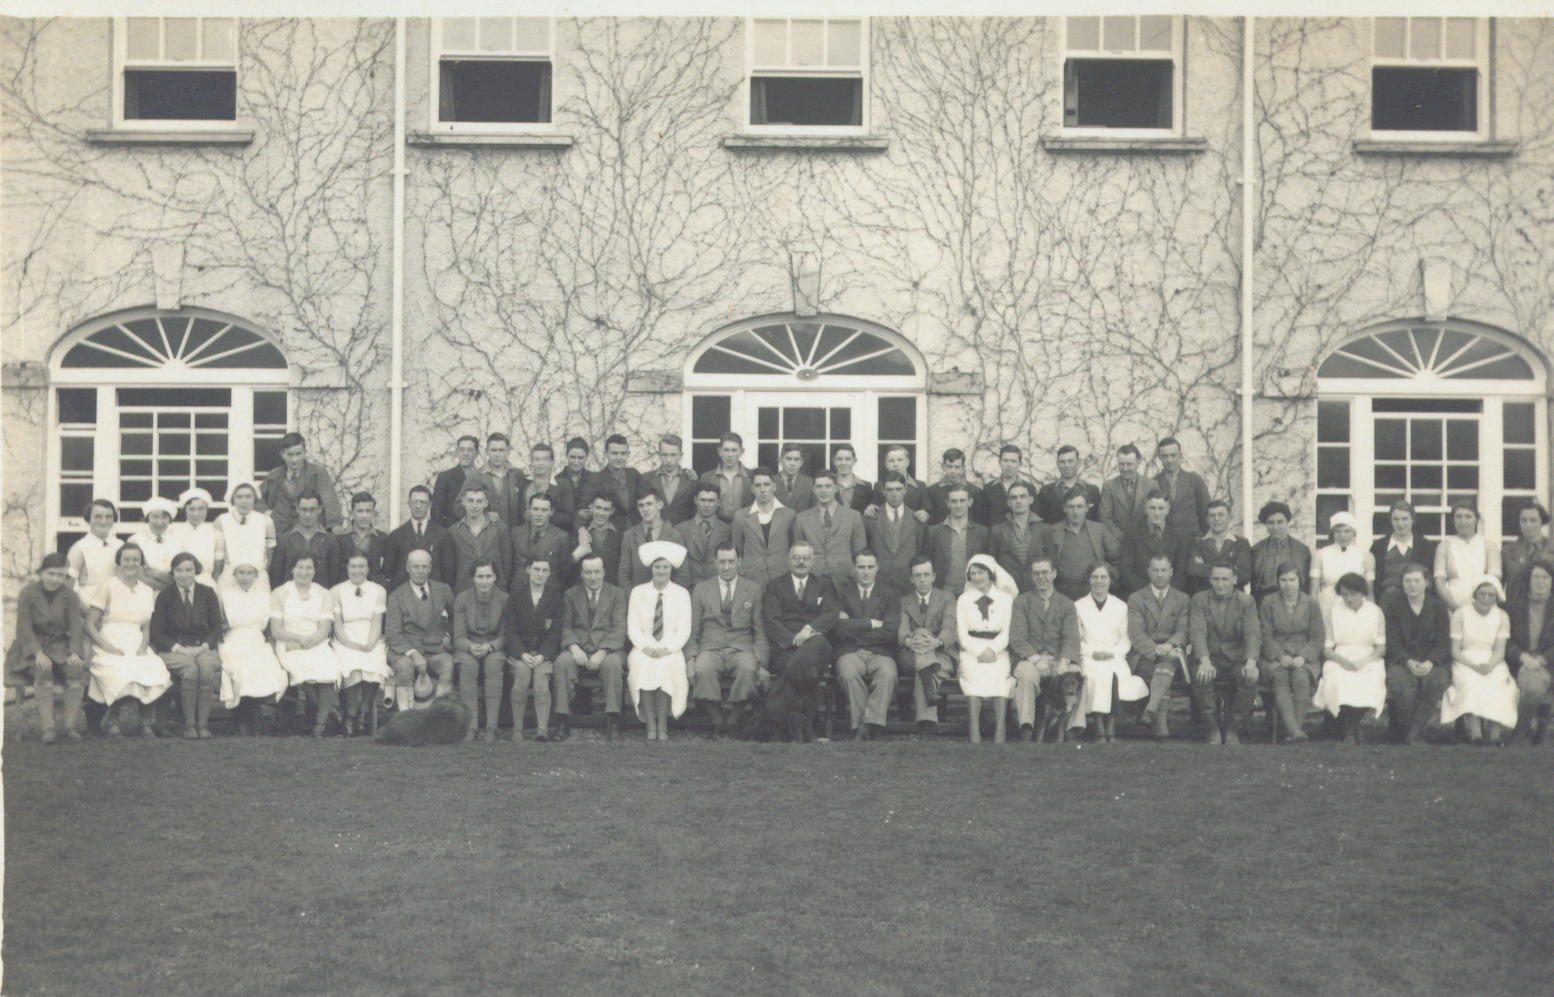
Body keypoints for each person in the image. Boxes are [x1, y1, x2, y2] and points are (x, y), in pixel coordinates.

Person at [84, 544, 171, 737]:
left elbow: (146, 627)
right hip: (110, 640)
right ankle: (112, 721)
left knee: (154, 668)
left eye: (135, 560)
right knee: (121, 670)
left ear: (141, 563)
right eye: (127, 559)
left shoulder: (147, 590)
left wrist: (143, 648)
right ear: (119, 562)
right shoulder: (108, 586)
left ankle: (145, 722)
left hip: (137, 641)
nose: (131, 564)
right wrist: (108, 647)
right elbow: (89, 624)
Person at [4, 553, 87, 743]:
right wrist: (38, 653)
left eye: (60, 575)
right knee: (42, 669)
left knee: (76, 669)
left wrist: (75, 652)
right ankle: (48, 728)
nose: (55, 579)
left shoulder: (70, 595)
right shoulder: (28, 593)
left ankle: (70, 726)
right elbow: (23, 628)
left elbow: (75, 626)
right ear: (41, 573)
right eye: (51, 573)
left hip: (59, 645)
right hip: (31, 646)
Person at [687, 543, 768, 736]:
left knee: (748, 669)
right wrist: (690, 659)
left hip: (741, 646)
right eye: (722, 562)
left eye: (731, 561)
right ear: (715, 563)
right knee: (702, 669)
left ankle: (732, 722)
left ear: (739, 562)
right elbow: (694, 630)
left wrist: (762, 663)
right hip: (710, 646)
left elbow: (759, 630)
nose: (726, 566)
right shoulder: (701, 589)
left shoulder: (753, 589)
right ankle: (717, 721)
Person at [762, 543, 840, 729]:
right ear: (789, 560)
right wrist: (793, 640)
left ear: (812, 561)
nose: (801, 562)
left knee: (817, 643)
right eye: (796, 557)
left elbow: (830, 614)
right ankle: (808, 722)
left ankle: (777, 713)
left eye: (806, 558)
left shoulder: (824, 585)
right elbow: (771, 620)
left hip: (815, 644)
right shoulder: (775, 586)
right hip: (786, 648)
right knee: (808, 669)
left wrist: (809, 630)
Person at [150, 552, 225, 739]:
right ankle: (189, 725)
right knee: (190, 670)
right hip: (175, 649)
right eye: (179, 570)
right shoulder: (165, 596)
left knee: (206, 669)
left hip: (203, 647)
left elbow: (217, 627)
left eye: (188, 570)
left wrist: (204, 646)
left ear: (196, 571)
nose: (184, 575)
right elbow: (157, 632)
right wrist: (179, 648)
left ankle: (203, 724)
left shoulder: (207, 593)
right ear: (173, 572)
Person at [555, 553, 629, 740]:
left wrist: (602, 652)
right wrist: (574, 648)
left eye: (597, 572)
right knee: (562, 662)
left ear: (603, 572)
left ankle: (613, 719)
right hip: (578, 648)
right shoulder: (571, 594)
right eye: (588, 572)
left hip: (608, 649)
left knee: (613, 664)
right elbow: (565, 626)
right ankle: (562, 720)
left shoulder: (617, 594)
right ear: (581, 573)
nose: (593, 577)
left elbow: (619, 628)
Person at [1187, 563, 1261, 745]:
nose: (1220, 584)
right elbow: (1197, 631)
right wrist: (1204, 661)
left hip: (1236, 658)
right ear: (1210, 580)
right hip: (1209, 656)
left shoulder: (1246, 601)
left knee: (1250, 678)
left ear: (1234, 580)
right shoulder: (1199, 599)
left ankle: (1233, 728)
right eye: (1216, 579)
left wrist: (1251, 663)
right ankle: (1212, 729)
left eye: (1225, 579)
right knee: (1202, 677)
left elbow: (1252, 633)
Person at [1311, 573, 1387, 744]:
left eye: (1353, 594)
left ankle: (1350, 729)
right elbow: (1327, 649)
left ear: (1363, 592)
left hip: (1369, 657)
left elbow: (1381, 648)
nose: (1349, 598)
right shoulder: (1333, 611)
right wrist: (1343, 662)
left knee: (1371, 679)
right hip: (1339, 656)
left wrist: (1363, 662)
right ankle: (1351, 730)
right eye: (1344, 594)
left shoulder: (1375, 611)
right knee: (1337, 678)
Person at [1381, 562, 1452, 745]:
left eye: (1417, 581)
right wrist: (1408, 662)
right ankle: (1414, 735)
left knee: (1435, 682)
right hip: (1402, 661)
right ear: (1402, 583)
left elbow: (1443, 642)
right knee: (1402, 685)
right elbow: (1392, 641)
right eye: (1408, 581)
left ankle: (1411, 735)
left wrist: (1430, 661)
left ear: (1426, 582)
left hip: (1433, 662)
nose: (1412, 585)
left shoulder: (1438, 606)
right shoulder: (1394, 606)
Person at [627, 542, 692, 741]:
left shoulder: (682, 593)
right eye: (657, 567)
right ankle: (650, 725)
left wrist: (668, 648)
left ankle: (663, 723)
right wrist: (645, 647)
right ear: (651, 568)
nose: (661, 571)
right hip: (643, 644)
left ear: (671, 569)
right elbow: (632, 627)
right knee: (641, 664)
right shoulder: (638, 592)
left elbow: (684, 629)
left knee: (668, 665)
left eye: (665, 567)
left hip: (671, 645)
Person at [1075, 562, 1147, 742]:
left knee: (1113, 676)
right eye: (1094, 577)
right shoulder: (1078, 605)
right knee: (1096, 677)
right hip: (1089, 656)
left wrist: (1113, 653)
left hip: (1114, 656)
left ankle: (1110, 726)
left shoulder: (1121, 606)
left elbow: (1126, 638)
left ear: (1111, 580)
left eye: (1103, 577)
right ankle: (1100, 728)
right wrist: (1092, 653)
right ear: (1089, 580)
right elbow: (1076, 638)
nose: (1099, 581)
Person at [1441, 576, 1517, 745]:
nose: (1486, 598)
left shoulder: (1502, 616)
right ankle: (1476, 735)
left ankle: (1495, 735)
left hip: (1492, 660)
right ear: (1475, 594)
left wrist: (1490, 665)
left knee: (1498, 684)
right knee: (1472, 683)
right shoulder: (1461, 614)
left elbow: (1500, 650)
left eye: (1491, 595)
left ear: (1497, 597)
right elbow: (1455, 650)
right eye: (1482, 594)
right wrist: (1474, 666)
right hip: (1465, 660)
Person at [832, 550, 899, 740]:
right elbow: (837, 628)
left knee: (888, 674)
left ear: (877, 568)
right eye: (861, 567)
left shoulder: (889, 594)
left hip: (881, 652)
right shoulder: (842, 593)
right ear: (854, 569)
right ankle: (868, 726)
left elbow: (890, 631)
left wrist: (853, 630)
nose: (866, 572)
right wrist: (870, 623)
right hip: (850, 652)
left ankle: (867, 725)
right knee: (848, 674)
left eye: (870, 567)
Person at [270, 553, 339, 737]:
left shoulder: (324, 594)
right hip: (288, 643)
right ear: (292, 569)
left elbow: (324, 628)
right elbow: (276, 630)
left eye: (309, 568)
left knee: (328, 667)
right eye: (300, 567)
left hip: (316, 642)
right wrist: (300, 640)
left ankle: (320, 724)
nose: (304, 572)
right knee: (302, 669)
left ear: (315, 571)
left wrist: (308, 643)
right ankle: (328, 712)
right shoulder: (280, 593)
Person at [217, 562, 289, 735]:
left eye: (249, 573)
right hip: (233, 639)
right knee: (239, 668)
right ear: (234, 574)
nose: (245, 577)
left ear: (256, 575)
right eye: (241, 572)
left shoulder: (264, 596)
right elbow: (219, 623)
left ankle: (252, 716)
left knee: (263, 666)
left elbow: (268, 627)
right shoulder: (225, 595)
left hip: (257, 639)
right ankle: (243, 718)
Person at [1258, 561, 1324, 742]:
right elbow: (1264, 635)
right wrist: (1279, 655)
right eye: (1283, 580)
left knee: (1301, 678)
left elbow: (1317, 636)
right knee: (1279, 678)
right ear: (1278, 581)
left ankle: (1294, 730)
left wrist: (1304, 656)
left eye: (1292, 580)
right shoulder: (1268, 602)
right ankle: (1295, 731)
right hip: (1276, 654)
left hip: (1303, 654)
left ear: (1300, 580)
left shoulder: (1311, 603)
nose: (1288, 585)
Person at [1127, 553, 1190, 740]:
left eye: (1164, 570)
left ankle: (1151, 711)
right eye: (1155, 570)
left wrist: (1169, 644)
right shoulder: (1136, 598)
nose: (1160, 574)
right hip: (1145, 654)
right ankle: (1160, 726)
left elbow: (1183, 631)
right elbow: (1136, 633)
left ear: (1171, 572)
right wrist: (1156, 649)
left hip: (1173, 652)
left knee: (1167, 664)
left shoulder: (1182, 598)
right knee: (1164, 669)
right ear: (1149, 572)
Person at [384, 550, 456, 712]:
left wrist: (448, 635)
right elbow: (392, 632)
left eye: (424, 567)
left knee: (447, 662)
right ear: (407, 568)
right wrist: (414, 654)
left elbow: (456, 617)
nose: (420, 571)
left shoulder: (443, 590)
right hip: (405, 651)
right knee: (404, 667)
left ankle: (440, 712)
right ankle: (406, 714)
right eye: (416, 567)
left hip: (435, 649)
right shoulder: (396, 596)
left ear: (430, 568)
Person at [956, 555, 1017, 743]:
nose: (977, 577)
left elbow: (1007, 631)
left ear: (990, 574)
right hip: (971, 649)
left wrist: (993, 650)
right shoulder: (964, 599)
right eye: (973, 573)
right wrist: (978, 651)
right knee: (973, 675)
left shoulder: (1005, 599)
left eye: (981, 572)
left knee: (1000, 675)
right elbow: (962, 634)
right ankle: (974, 731)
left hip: (998, 649)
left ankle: (1000, 730)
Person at [331, 551, 392, 736]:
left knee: (374, 661)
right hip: (345, 636)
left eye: (361, 566)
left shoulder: (378, 591)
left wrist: (370, 643)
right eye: (353, 566)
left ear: (368, 569)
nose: (357, 570)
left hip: (370, 635)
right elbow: (337, 625)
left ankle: (363, 713)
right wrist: (350, 644)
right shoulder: (336, 591)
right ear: (347, 568)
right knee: (351, 664)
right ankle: (350, 715)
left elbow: (377, 622)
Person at [504, 557, 563, 741]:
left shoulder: (555, 597)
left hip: (543, 655)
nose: (540, 574)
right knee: (521, 678)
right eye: (536, 569)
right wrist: (522, 654)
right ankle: (518, 729)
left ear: (549, 573)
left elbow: (556, 632)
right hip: (521, 654)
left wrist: (543, 655)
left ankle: (542, 730)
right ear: (528, 570)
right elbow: (510, 629)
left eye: (544, 570)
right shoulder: (516, 595)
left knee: (541, 682)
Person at [898, 556, 958, 734]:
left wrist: (935, 642)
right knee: (920, 634)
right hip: (912, 655)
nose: (922, 579)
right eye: (918, 575)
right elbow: (902, 629)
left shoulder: (947, 598)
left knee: (925, 671)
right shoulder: (905, 601)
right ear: (911, 579)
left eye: (926, 574)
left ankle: (926, 722)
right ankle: (927, 722)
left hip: (940, 655)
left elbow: (949, 628)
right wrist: (910, 641)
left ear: (933, 576)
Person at [451, 560, 507, 742]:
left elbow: (506, 635)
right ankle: (471, 725)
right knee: (468, 666)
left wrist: (491, 646)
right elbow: (458, 636)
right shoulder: (462, 599)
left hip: (494, 646)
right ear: (473, 578)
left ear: (495, 577)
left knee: (494, 665)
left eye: (488, 576)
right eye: (480, 576)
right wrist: (470, 647)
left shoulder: (504, 599)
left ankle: (492, 726)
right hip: (469, 645)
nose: (484, 581)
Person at [1506, 560, 1554, 744]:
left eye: (1545, 577)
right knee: (1533, 687)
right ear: (1529, 580)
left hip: (1548, 662)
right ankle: (1521, 733)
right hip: (1522, 662)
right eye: (1536, 577)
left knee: (1535, 687)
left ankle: (1525, 730)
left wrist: (1541, 660)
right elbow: (1505, 639)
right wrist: (1522, 656)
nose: (1540, 582)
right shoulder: (1514, 607)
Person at [795, 469, 867, 590]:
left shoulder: (853, 516)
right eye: (819, 487)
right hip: (812, 580)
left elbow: (860, 553)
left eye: (828, 486)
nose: (823, 490)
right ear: (814, 490)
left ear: (836, 488)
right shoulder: (801, 518)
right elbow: (798, 554)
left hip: (845, 581)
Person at [259, 432, 342, 535]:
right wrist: (266, 515)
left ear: (304, 453)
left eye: (298, 454)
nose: (294, 460)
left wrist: (334, 526)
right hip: (280, 535)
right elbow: (260, 501)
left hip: (309, 536)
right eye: (290, 454)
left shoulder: (318, 474)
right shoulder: (274, 476)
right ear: (282, 454)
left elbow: (330, 502)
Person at [442, 482, 513, 594]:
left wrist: (501, 585)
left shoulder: (499, 528)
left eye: (479, 501)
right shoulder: (453, 531)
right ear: (463, 502)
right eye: (470, 501)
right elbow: (450, 567)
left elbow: (507, 564)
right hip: (464, 591)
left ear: (486, 503)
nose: (474, 505)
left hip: (495, 591)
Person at [1050, 487, 1118, 600]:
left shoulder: (1099, 530)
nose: (1075, 512)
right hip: (1063, 592)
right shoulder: (1053, 532)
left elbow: (1116, 558)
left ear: (1087, 508)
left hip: (1094, 590)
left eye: (1080, 507)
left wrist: (1108, 582)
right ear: (1064, 508)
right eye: (1071, 507)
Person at [1119, 491, 1191, 596]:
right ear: (1145, 509)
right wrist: (1149, 593)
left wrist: (1164, 593)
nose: (1156, 513)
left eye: (1161, 508)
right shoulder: (1132, 534)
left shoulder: (1178, 535)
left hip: (1169, 595)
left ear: (1168, 510)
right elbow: (1127, 571)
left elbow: (1180, 574)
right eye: (1152, 508)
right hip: (1139, 594)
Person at [1434, 500, 1501, 612]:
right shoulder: (1444, 546)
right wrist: (1456, 609)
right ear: (1453, 520)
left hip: (1484, 606)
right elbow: (1439, 583)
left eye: (1468, 517)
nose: (1463, 521)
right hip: (1453, 606)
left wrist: (1480, 607)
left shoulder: (1489, 546)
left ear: (1476, 519)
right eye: (1458, 517)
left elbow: (1493, 580)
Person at [733, 468, 796, 584]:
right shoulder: (740, 516)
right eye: (758, 485)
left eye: (766, 484)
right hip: (751, 577)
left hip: (782, 576)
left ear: (774, 487)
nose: (762, 489)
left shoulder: (789, 515)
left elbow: (794, 548)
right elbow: (737, 551)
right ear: (752, 488)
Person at [987, 481, 1053, 593]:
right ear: (1008, 502)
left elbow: (1051, 561)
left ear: (1030, 500)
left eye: (1023, 496)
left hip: (1036, 588)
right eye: (1014, 497)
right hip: (1006, 590)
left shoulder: (1044, 529)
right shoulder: (997, 530)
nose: (1018, 501)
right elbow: (991, 564)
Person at [866, 472, 925, 593]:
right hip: (878, 582)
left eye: (898, 489)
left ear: (905, 490)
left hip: (907, 584)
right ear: (883, 491)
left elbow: (921, 553)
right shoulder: (871, 518)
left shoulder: (917, 519)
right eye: (889, 490)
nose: (894, 494)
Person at [270, 491, 341, 591]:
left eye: (312, 509)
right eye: (304, 509)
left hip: (321, 598)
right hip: (291, 597)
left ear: (320, 509)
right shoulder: (283, 541)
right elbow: (276, 579)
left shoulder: (331, 541)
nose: (308, 515)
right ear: (297, 509)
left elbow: (334, 578)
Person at [926, 485, 989, 597]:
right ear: (947, 503)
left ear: (970, 502)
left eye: (962, 500)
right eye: (954, 501)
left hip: (973, 592)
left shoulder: (982, 532)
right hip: (943, 592)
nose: (958, 505)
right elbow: (927, 564)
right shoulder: (933, 532)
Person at [383, 484, 450, 589]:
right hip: (405, 594)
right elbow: (388, 571)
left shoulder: (443, 535)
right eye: (414, 502)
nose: (418, 506)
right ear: (409, 504)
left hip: (433, 593)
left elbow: (448, 572)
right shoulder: (396, 535)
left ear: (430, 504)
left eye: (422, 502)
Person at [1369, 500, 1436, 603]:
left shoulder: (1425, 546)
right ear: (1390, 520)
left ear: (1413, 520)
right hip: (1387, 601)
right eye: (1395, 519)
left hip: (1417, 601)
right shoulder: (1379, 546)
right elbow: (1372, 581)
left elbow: (1430, 580)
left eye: (1404, 519)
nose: (1400, 524)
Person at [619, 491, 688, 590]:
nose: (645, 509)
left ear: (660, 505)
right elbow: (623, 575)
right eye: (641, 505)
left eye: (649, 504)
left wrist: (668, 595)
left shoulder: (675, 536)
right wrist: (634, 596)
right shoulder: (629, 536)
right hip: (639, 596)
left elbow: (682, 575)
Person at [1312, 511, 1375, 618]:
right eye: (1338, 531)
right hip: (1328, 608)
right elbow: (1314, 592)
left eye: (1347, 531)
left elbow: (1369, 593)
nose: (1342, 535)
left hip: (1356, 608)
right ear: (1332, 533)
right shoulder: (1320, 554)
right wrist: (1315, 616)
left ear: (1354, 532)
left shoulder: (1366, 556)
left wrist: (1371, 615)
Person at [459, 432, 530, 528]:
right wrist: (483, 515)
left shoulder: (517, 474)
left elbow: (525, 505)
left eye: (501, 450)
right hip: (486, 533)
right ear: (487, 451)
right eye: (493, 450)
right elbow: (458, 506)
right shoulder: (476, 476)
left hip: (513, 533)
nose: (497, 454)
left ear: (508, 451)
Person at [216, 483, 277, 592]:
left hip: (258, 578)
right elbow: (218, 554)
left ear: (255, 499)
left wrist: (262, 572)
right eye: (239, 497)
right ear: (233, 499)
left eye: (248, 496)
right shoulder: (221, 521)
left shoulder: (266, 521)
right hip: (229, 578)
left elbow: (270, 551)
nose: (244, 501)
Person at [1184, 499, 1252, 595]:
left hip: (1234, 598)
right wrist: (1230, 568)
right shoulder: (1197, 543)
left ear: (1229, 518)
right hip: (1204, 597)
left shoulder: (1241, 543)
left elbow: (1244, 575)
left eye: (1221, 515)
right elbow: (1193, 570)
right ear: (1207, 519)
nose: (1216, 519)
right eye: (1212, 515)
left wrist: (1205, 567)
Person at [1250, 501, 1311, 605]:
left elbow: (1306, 584)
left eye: (1280, 522)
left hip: (1293, 603)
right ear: (1266, 524)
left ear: (1288, 522)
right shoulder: (1257, 550)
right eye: (1270, 523)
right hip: (1263, 603)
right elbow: (1253, 582)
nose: (1275, 527)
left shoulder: (1301, 550)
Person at [1152, 437, 1211, 539]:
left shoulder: (1194, 480)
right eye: (1165, 456)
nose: (1169, 460)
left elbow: (1206, 512)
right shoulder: (1154, 483)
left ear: (1180, 456)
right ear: (1159, 458)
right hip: (1165, 541)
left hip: (1192, 540)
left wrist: (1204, 539)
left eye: (1173, 455)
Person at [511, 492, 572, 588]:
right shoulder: (516, 533)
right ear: (529, 510)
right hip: (519, 589)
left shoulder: (561, 537)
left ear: (551, 512)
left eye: (544, 510)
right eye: (535, 509)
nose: (539, 514)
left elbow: (564, 571)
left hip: (548, 591)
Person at [67, 498, 124, 598]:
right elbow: (66, 587)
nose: (103, 522)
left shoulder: (121, 545)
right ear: (88, 519)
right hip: (89, 602)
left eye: (108, 517)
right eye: (98, 517)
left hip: (118, 601)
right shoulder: (79, 548)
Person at [169, 487, 224, 588]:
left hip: (206, 582)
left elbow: (218, 565)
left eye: (201, 509)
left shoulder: (215, 534)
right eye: (192, 509)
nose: (196, 514)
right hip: (178, 582)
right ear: (185, 510)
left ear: (207, 510)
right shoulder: (173, 532)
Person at [333, 491, 388, 589]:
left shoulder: (382, 537)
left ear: (373, 513)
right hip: (347, 589)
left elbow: (387, 569)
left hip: (373, 590)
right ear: (352, 513)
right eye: (360, 511)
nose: (364, 516)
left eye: (368, 511)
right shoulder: (340, 537)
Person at [680, 484, 732, 586]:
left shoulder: (727, 529)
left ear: (718, 502)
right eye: (703, 500)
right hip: (690, 586)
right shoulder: (681, 529)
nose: (706, 505)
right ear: (696, 501)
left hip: (718, 586)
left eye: (711, 501)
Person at [1502, 501, 1552, 607]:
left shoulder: (1551, 550)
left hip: (1548, 612)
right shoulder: (1507, 552)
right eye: (1523, 520)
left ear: (1542, 521)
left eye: (1533, 520)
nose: (1528, 525)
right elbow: (1498, 587)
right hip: (1515, 611)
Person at [974, 444, 1037, 527]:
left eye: (1013, 461)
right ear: (1000, 462)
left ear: (1020, 464)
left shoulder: (1029, 489)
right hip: (994, 534)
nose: (1009, 465)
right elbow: (982, 520)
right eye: (1005, 460)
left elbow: (1034, 520)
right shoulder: (988, 489)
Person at [1099, 443, 1152, 541]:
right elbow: (1105, 518)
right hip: (1118, 541)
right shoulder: (1109, 487)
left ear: (1138, 463)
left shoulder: (1151, 485)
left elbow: (1155, 515)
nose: (1125, 468)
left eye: (1129, 464)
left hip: (1145, 540)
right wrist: (1122, 538)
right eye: (1121, 464)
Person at [1037, 445, 1100, 526]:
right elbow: (1040, 523)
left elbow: (1097, 522)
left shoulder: (1092, 491)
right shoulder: (1046, 491)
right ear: (1057, 464)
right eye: (1062, 462)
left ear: (1078, 463)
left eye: (1070, 461)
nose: (1066, 465)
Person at [701, 432, 754, 523]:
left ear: (741, 452)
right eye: (726, 450)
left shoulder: (751, 476)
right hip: (717, 527)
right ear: (719, 452)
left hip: (744, 526)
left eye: (734, 450)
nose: (730, 455)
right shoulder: (707, 477)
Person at [865, 446, 929, 522]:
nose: (895, 464)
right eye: (891, 461)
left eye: (900, 460)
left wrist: (926, 515)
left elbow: (930, 513)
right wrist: (870, 508)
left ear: (907, 462)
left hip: (912, 526)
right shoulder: (879, 486)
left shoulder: (920, 486)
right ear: (886, 464)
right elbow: (874, 509)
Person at [129, 496, 180, 591]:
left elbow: (179, 578)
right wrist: (171, 589)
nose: (159, 522)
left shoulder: (177, 541)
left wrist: (153, 573)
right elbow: (141, 577)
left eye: (164, 517)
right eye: (155, 517)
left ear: (170, 519)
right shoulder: (136, 540)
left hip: (172, 595)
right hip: (144, 593)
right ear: (148, 518)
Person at [646, 434, 699, 525]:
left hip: (683, 531)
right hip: (656, 530)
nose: (669, 460)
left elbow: (695, 511)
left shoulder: (690, 479)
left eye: (673, 455)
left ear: (681, 455)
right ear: (659, 454)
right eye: (665, 455)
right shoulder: (647, 479)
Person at [572, 492, 624, 583]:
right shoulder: (579, 534)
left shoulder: (620, 535)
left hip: (611, 588)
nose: (601, 513)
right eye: (598, 508)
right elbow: (569, 569)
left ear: (612, 511)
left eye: (606, 509)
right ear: (591, 507)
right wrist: (574, 557)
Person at [430, 434, 481, 528]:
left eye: (470, 450)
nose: (465, 454)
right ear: (457, 452)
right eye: (462, 450)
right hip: (452, 532)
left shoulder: (483, 477)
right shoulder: (445, 477)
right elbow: (437, 513)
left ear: (477, 453)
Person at [925, 448, 982, 525]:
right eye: (949, 466)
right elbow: (930, 520)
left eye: (957, 467)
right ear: (943, 467)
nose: (953, 471)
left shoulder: (975, 491)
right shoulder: (932, 491)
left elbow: (980, 522)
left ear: (963, 468)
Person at [552, 436, 594, 534]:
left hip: (588, 533)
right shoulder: (556, 481)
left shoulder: (594, 480)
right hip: (563, 533)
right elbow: (551, 515)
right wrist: (576, 515)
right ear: (566, 455)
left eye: (580, 458)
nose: (576, 462)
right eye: (572, 457)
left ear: (587, 457)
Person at [831, 444, 873, 514]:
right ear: (833, 461)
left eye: (848, 459)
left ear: (854, 461)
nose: (843, 463)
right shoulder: (828, 485)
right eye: (839, 459)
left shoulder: (866, 487)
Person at [773, 443, 815, 513]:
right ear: (780, 460)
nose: (792, 464)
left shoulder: (810, 483)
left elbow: (814, 511)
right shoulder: (771, 482)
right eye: (788, 459)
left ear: (801, 462)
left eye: (796, 459)